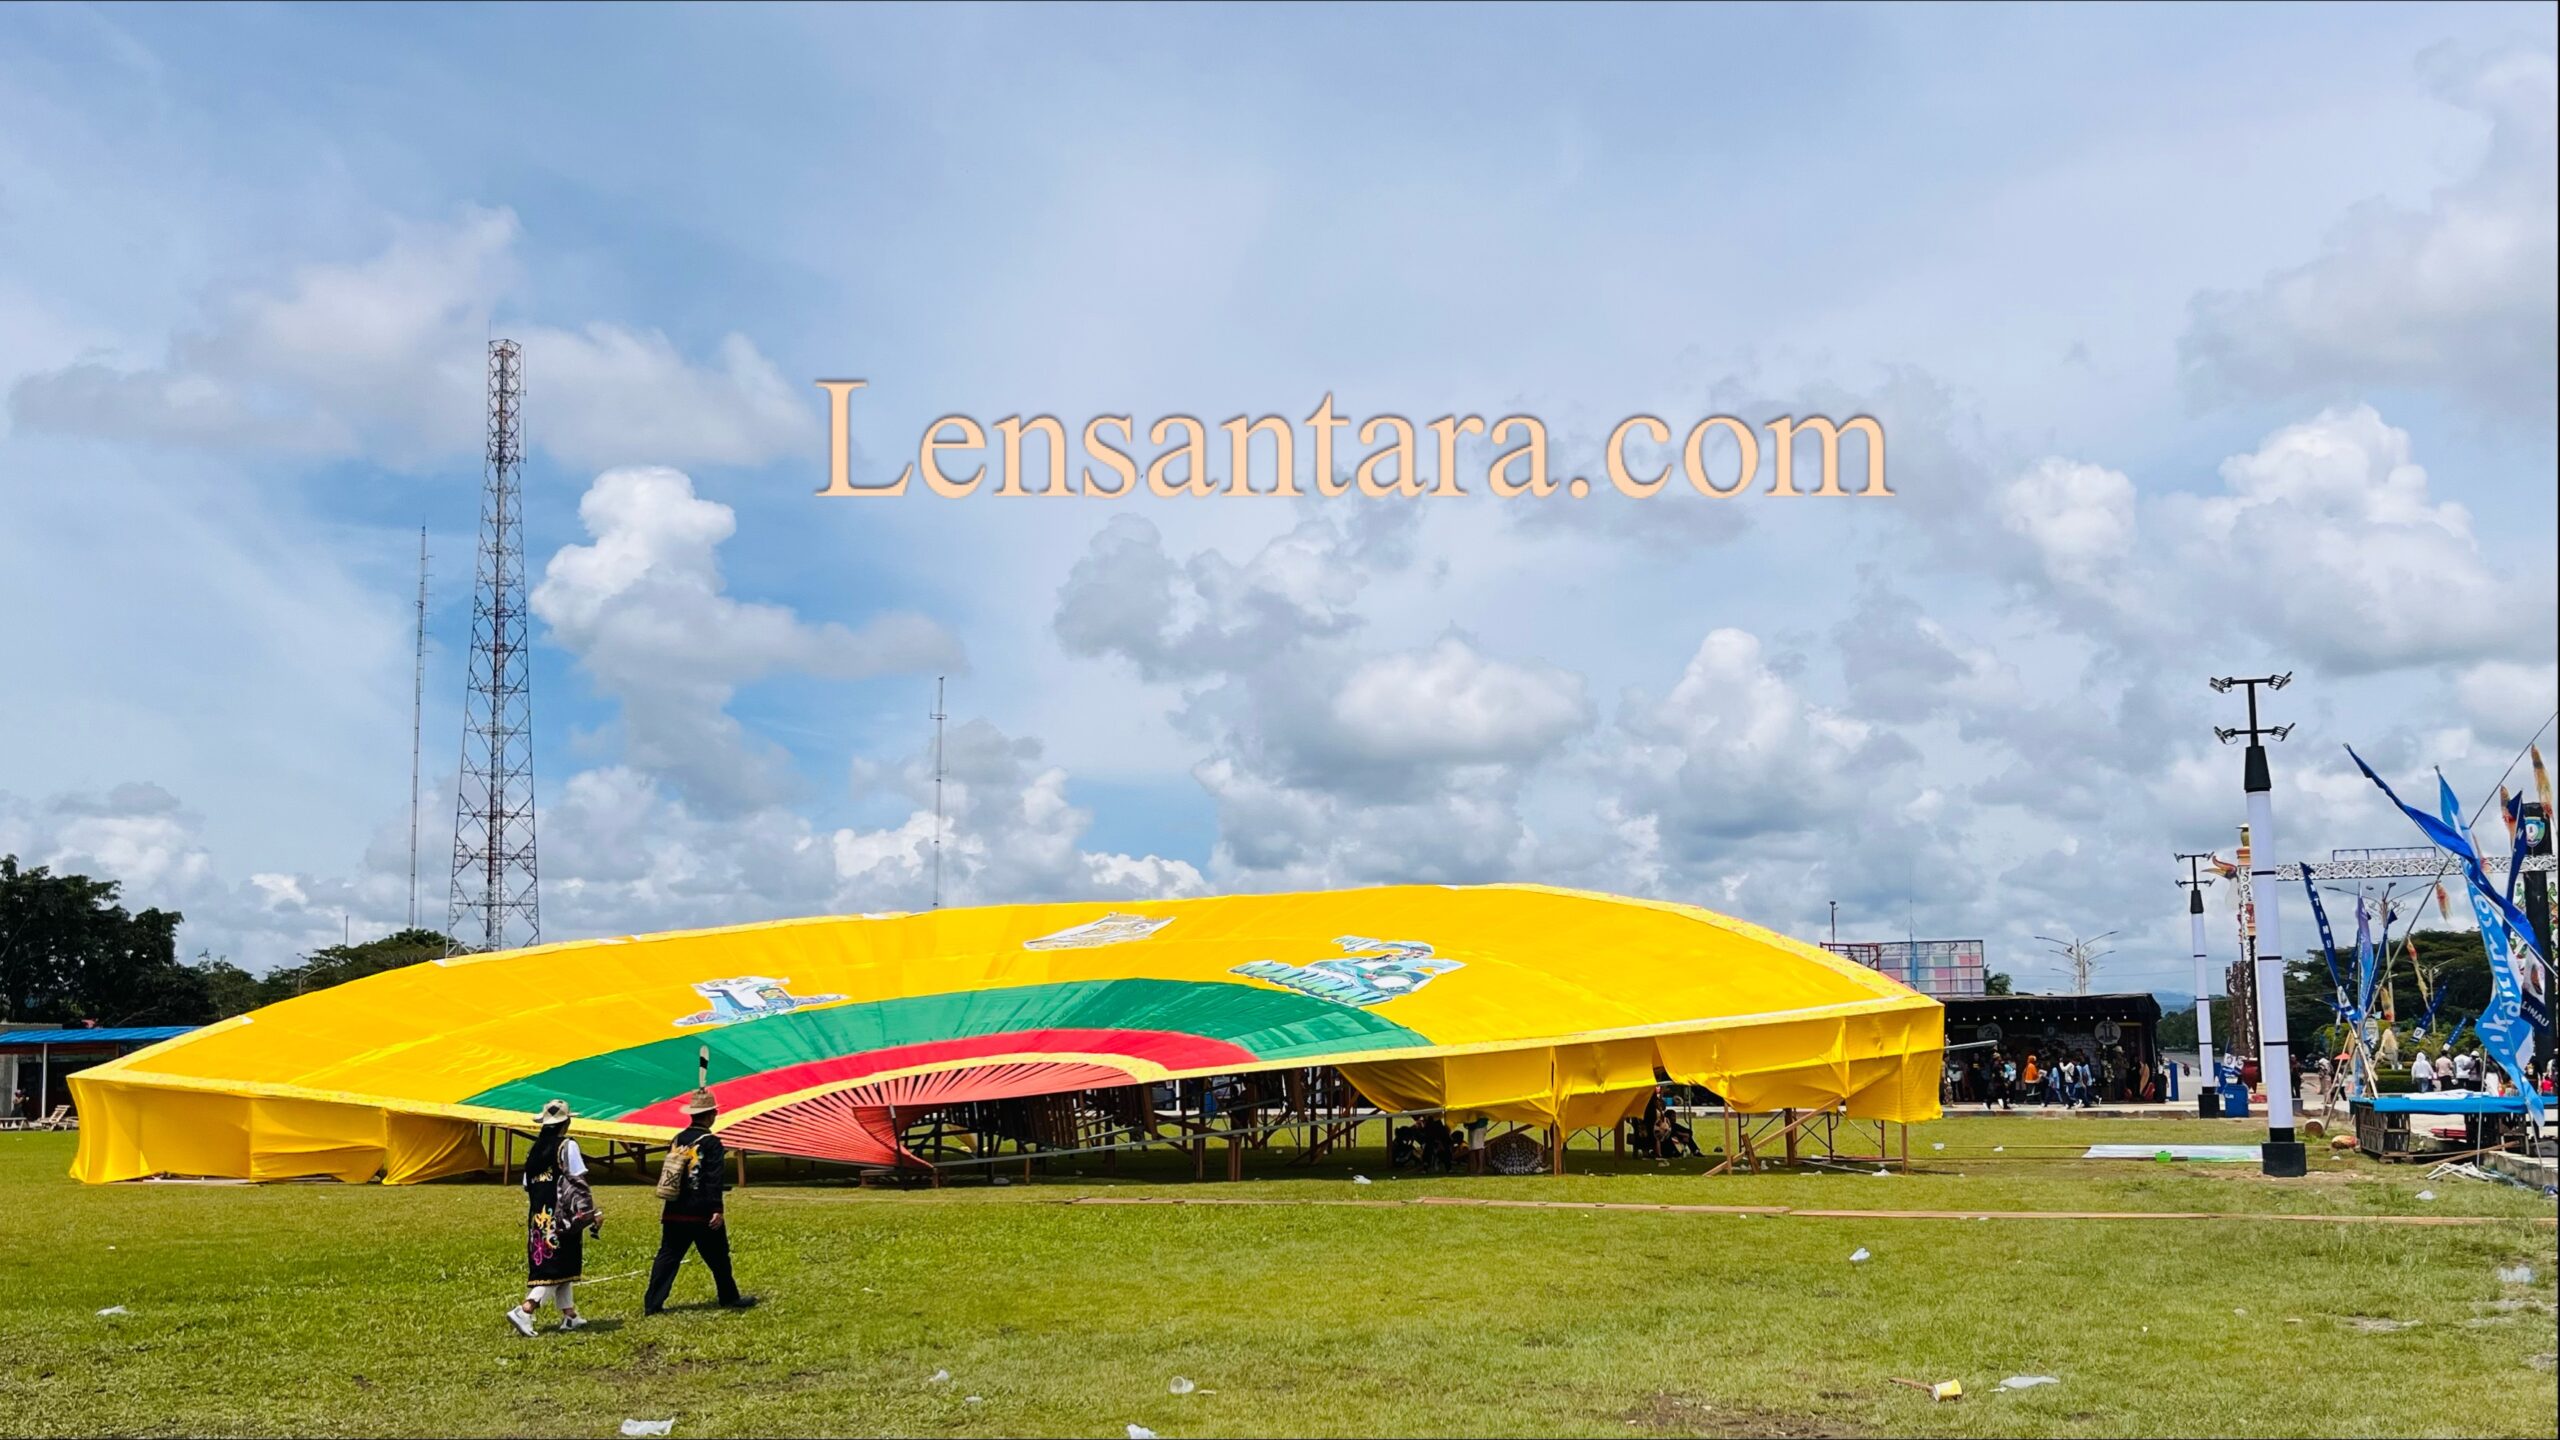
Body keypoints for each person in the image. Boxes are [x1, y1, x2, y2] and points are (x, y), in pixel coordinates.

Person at [643, 1089, 756, 1315]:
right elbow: (713, 1178)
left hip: (674, 1208)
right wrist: (716, 1208)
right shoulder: (711, 1143)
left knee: (668, 1256)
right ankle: (729, 1296)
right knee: (718, 1257)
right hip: (701, 1211)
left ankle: (652, 1303)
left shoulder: (678, 1139)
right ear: (711, 1115)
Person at [508, 1099, 600, 1336]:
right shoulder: (567, 1146)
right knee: (554, 1270)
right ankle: (526, 1310)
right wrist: (591, 1212)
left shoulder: (533, 1151)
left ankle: (570, 1316)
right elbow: (578, 1182)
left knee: (560, 1266)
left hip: (538, 1218)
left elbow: (527, 1185)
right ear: (566, 1122)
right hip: (563, 1218)